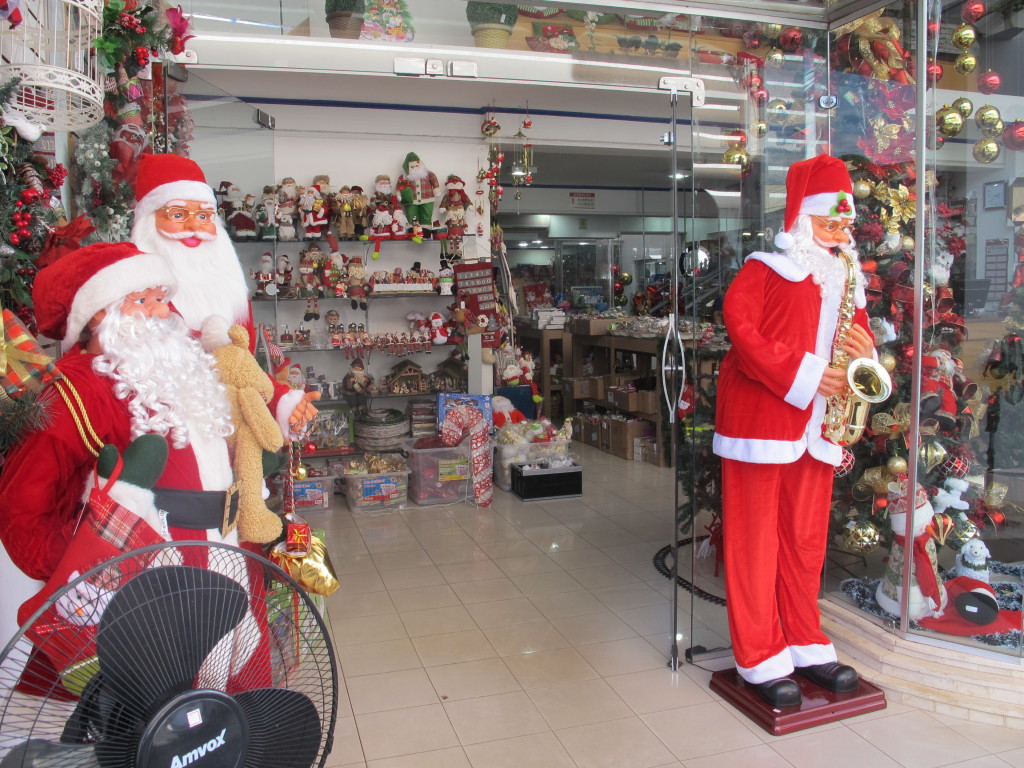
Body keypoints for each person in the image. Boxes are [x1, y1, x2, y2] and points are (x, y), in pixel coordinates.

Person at [0, 243, 243, 643]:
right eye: (145, 300)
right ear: (100, 313)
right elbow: (22, 510)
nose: (164, 313)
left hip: (223, 564)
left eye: (164, 299)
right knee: (159, 700)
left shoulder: (175, 367)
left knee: (219, 698)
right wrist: (94, 574)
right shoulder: (75, 390)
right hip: (147, 598)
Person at [711, 155, 876, 708]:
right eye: (830, 221)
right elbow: (743, 330)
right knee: (754, 542)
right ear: (803, 218)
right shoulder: (764, 268)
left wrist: (865, 353)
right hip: (763, 421)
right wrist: (806, 374)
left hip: (819, 427)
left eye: (845, 224)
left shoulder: (848, 277)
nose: (840, 232)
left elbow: (860, 339)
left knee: (805, 542)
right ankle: (758, 655)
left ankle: (805, 641)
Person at [129, 153, 317, 437]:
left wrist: (283, 401)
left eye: (204, 216)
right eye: (178, 215)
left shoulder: (229, 290)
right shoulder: (136, 296)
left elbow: (243, 368)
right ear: (148, 221)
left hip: (230, 433)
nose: (194, 227)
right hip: (165, 437)